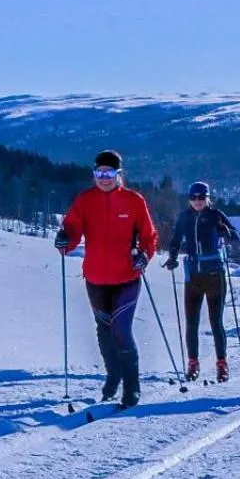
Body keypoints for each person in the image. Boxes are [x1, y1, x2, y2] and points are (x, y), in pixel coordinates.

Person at [55, 150, 158, 408]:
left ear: (119, 175)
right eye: (99, 173)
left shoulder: (134, 201)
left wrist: (144, 256)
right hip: (96, 278)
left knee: (121, 330)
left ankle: (131, 388)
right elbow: (72, 228)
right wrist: (64, 239)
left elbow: (149, 236)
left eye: (109, 173)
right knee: (104, 330)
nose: (104, 178)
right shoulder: (85, 200)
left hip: (127, 277)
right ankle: (113, 378)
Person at [165, 180, 240, 382]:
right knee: (191, 323)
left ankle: (222, 364)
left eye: (201, 197)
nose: (197, 201)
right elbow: (174, 240)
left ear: (208, 199)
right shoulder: (184, 217)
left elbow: (236, 236)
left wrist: (226, 231)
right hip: (193, 276)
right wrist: (172, 258)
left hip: (215, 274)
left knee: (216, 322)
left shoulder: (216, 215)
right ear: (189, 199)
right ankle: (192, 364)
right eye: (193, 197)